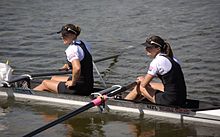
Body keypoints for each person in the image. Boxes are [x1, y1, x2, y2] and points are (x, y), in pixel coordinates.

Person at [125, 35, 186, 107]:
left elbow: (143, 85)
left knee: (139, 87)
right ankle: (137, 100)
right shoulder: (172, 58)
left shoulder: (157, 61)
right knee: (151, 85)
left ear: (158, 48)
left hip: (170, 101)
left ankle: (123, 105)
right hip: (181, 98)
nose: (146, 49)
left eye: (149, 47)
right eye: (146, 47)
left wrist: (142, 80)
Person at [34, 24, 94, 95]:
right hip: (89, 84)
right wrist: (69, 65)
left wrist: (72, 83)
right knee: (53, 78)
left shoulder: (71, 49)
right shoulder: (84, 44)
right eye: (62, 35)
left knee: (45, 83)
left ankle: (28, 95)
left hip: (79, 88)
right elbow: (84, 60)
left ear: (73, 35)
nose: (62, 37)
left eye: (65, 35)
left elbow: (77, 68)